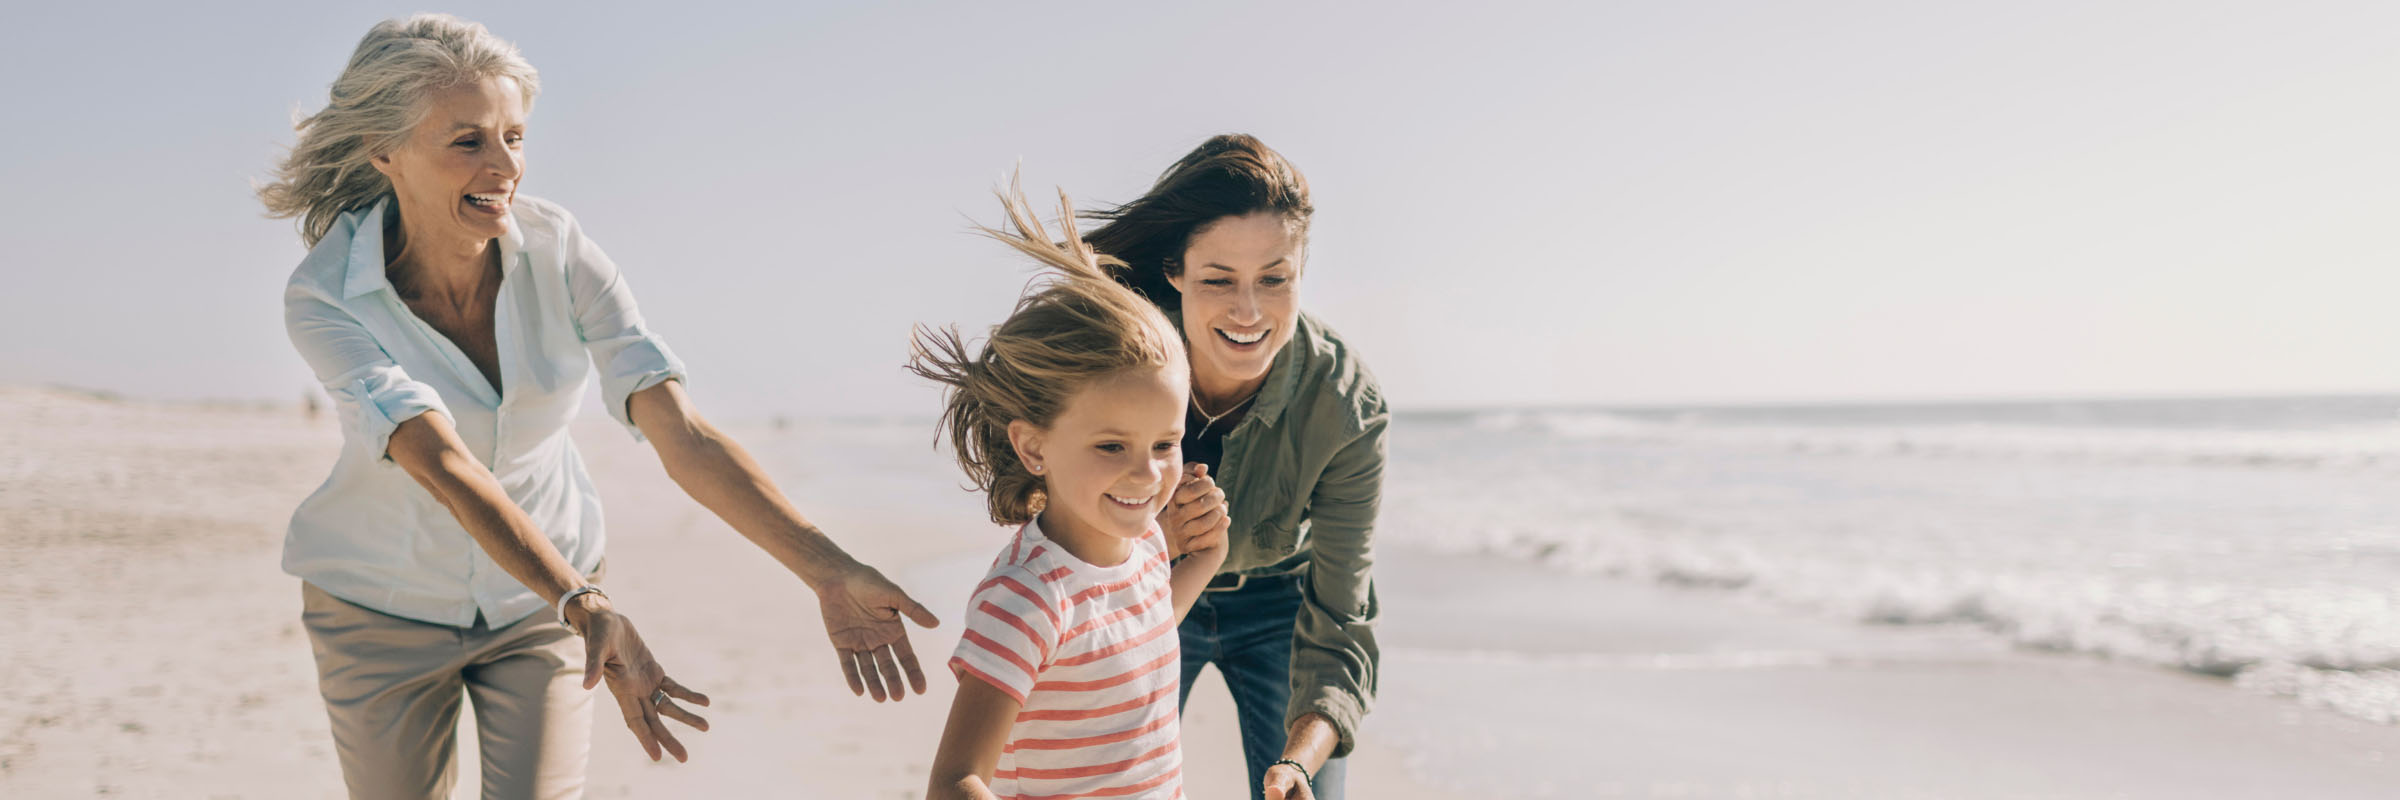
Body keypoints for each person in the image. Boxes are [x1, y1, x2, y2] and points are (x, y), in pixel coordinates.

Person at [258, 15, 937, 799]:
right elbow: (442, 463)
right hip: (380, 608)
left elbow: (678, 431)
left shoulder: (561, 250)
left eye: (515, 136)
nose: (505, 165)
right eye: (468, 141)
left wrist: (829, 569)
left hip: (538, 608)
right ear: (386, 152)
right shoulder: (327, 295)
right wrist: (581, 599)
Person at [1084, 135, 1388, 800]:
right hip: (1143, 589)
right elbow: (1038, 502)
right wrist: (1149, 538)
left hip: (1283, 603)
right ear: (1174, 271)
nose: (1248, 312)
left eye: (1274, 280)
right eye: (1219, 280)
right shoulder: (1112, 358)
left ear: (1301, 271)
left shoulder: (1346, 406)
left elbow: (1341, 619)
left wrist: (1300, 762)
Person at [916, 180, 1230, 799]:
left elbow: (1132, 643)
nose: (1147, 474)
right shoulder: (1026, 599)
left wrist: (1207, 560)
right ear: (1035, 447)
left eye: (1165, 444)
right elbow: (955, 782)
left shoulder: (1140, 551)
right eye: (1112, 447)